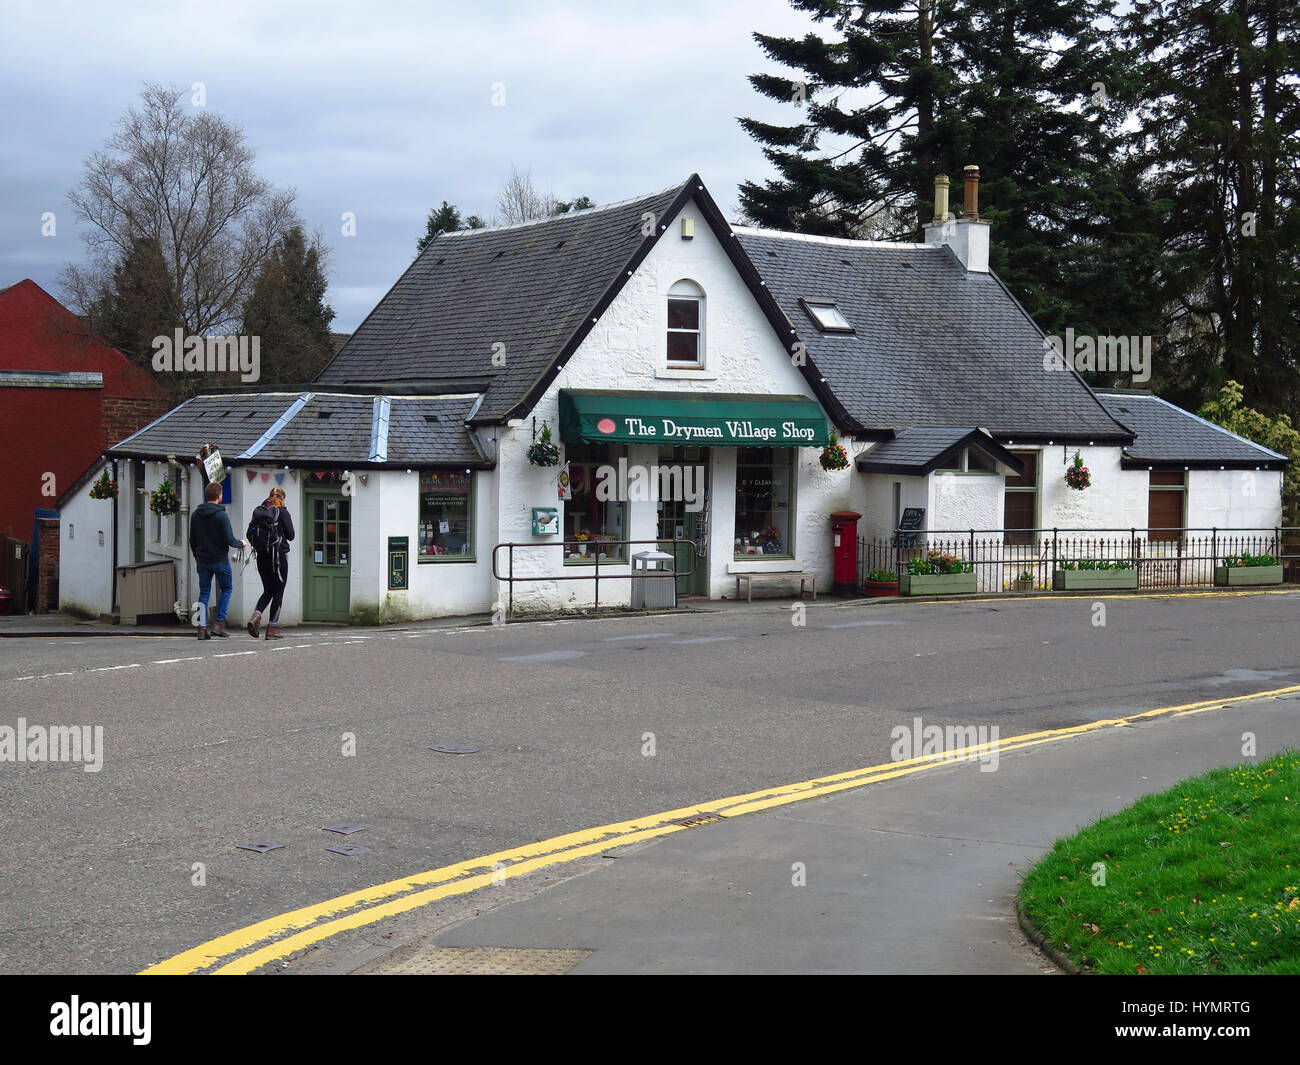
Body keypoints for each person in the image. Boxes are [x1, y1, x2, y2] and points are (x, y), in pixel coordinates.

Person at [189, 481, 247, 639]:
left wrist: (197, 555)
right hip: (220, 559)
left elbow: (192, 540)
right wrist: (240, 543)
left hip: (202, 560)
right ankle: (219, 623)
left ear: (206, 496)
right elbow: (229, 538)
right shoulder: (221, 515)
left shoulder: (196, 514)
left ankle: (202, 627)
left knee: (204, 592)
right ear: (219, 496)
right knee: (227, 588)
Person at [246, 486, 295, 640]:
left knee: (268, 590)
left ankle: (255, 616)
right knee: (279, 591)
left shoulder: (259, 512)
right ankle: (272, 628)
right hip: (278, 557)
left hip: (261, 556)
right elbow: (291, 535)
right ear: (282, 498)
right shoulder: (282, 512)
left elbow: (249, 534)